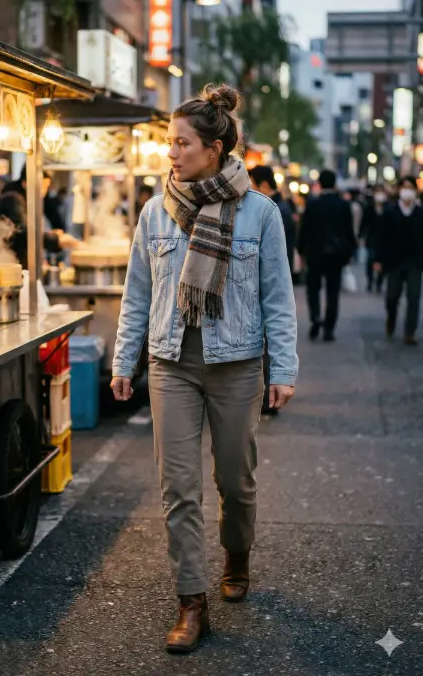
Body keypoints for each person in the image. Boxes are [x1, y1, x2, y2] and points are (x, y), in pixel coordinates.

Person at [111, 84, 298, 653]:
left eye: (181, 143)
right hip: (172, 364)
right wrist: (125, 359)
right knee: (178, 488)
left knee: (235, 483)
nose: (172, 153)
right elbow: (136, 294)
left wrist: (282, 368)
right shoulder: (154, 210)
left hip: (236, 364)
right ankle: (192, 602)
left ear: (215, 148)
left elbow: (278, 297)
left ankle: (236, 557)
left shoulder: (260, 212)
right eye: (170, 143)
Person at [248, 164, 297, 418]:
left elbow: (279, 258)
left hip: (268, 284)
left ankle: (268, 399)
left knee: (265, 343)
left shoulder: (273, 210)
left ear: (264, 185)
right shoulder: (280, 208)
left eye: (252, 184)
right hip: (269, 283)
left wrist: (284, 373)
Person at [298, 169, 356, 342]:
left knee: (313, 288)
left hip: (315, 253)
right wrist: (349, 251)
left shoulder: (312, 204)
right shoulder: (343, 205)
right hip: (336, 255)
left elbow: (305, 230)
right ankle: (329, 328)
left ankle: (315, 317)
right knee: (333, 291)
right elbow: (349, 231)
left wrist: (302, 252)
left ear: (320, 184)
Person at [0, 166, 80, 268]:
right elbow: (23, 233)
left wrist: (52, 235)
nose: (44, 192)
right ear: (26, 183)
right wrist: (56, 240)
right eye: (42, 186)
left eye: (46, 187)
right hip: (9, 262)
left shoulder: (24, 199)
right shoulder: (13, 199)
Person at [374, 176, 423, 345]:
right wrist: (378, 259)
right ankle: (391, 319)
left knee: (414, 296)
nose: (407, 191)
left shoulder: (419, 213)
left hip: (414, 262)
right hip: (394, 261)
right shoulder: (390, 212)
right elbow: (381, 237)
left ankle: (409, 332)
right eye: (405, 187)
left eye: (410, 187)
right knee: (392, 296)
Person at [359, 185, 387, 293]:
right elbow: (364, 223)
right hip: (372, 239)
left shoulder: (388, 208)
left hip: (385, 240)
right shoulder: (369, 208)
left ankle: (379, 282)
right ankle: (370, 281)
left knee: (383, 262)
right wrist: (361, 235)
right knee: (370, 260)